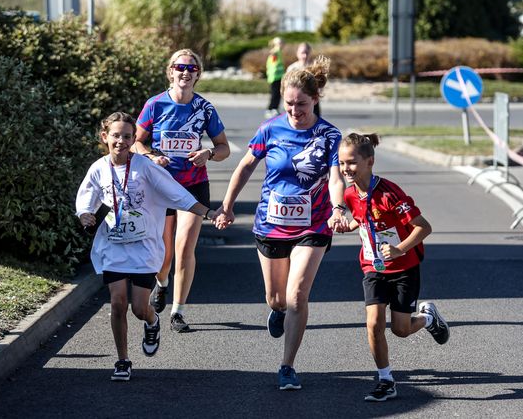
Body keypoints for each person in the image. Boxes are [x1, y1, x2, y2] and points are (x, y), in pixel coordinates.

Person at [215, 55, 347, 390]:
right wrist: (227, 205)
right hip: (271, 224)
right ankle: (276, 311)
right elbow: (245, 165)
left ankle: (287, 365)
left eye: (301, 104)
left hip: (313, 225)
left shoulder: (329, 134)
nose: (294, 111)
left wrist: (338, 207)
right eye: (288, 104)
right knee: (277, 299)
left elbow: (335, 177)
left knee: (297, 296)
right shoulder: (270, 129)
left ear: (315, 99)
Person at [75, 112, 220, 381]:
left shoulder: (145, 166)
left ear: (133, 139)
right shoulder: (98, 168)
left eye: (127, 136)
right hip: (113, 245)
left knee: (139, 308)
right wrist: (85, 215)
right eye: (116, 135)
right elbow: (85, 199)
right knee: (118, 303)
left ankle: (152, 322)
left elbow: (177, 194)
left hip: (144, 248)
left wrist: (208, 213)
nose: (121, 141)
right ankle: (122, 361)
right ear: (105, 137)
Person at [335, 132, 450, 402]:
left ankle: (428, 318)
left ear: (370, 161)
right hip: (372, 267)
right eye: (341, 163)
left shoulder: (390, 193)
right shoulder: (351, 194)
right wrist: (345, 225)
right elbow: (361, 220)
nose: (345, 169)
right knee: (373, 323)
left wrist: (399, 249)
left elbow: (424, 227)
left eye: (351, 162)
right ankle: (385, 379)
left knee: (400, 329)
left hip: (404, 268)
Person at [134, 49, 230, 333]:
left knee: (184, 246)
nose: (185, 73)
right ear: (170, 71)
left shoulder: (205, 109)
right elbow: (137, 143)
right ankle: (162, 282)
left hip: (193, 185)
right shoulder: (154, 105)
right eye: (180, 67)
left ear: (197, 74)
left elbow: (223, 147)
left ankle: (178, 311)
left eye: (191, 68)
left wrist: (209, 154)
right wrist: (151, 157)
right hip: (161, 186)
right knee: (163, 252)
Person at [287, 42, 320, 117]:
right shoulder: (292, 68)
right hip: (296, 100)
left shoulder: (314, 68)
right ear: (297, 53)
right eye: (302, 53)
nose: (304, 56)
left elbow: (320, 85)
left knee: (315, 120)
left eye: (307, 53)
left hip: (312, 100)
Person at [264, 36, 285, 119]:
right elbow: (273, 56)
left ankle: (274, 108)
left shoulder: (279, 52)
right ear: (275, 44)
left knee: (278, 94)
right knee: (274, 94)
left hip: (279, 76)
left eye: (282, 43)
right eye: (279, 43)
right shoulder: (275, 52)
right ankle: (270, 109)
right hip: (274, 77)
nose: (281, 45)